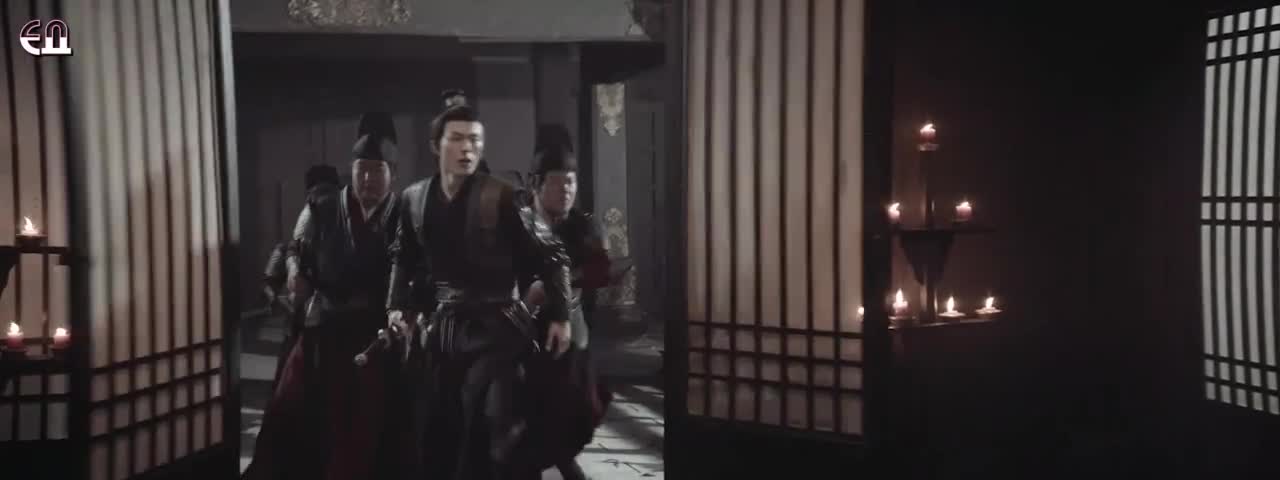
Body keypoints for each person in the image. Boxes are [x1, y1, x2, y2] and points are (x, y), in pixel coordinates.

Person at [386, 90, 573, 480]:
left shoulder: (502, 196)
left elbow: (553, 255)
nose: (467, 148)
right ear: (436, 146)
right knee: (438, 426)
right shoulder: (414, 199)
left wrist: (560, 316)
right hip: (444, 328)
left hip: (498, 329)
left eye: (474, 140)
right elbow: (403, 256)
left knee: (494, 428)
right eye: (457, 139)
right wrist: (396, 307)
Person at [242, 112, 403, 480]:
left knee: (368, 426)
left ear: (393, 173)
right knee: (291, 412)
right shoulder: (323, 206)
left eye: (377, 170)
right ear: (352, 169)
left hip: (376, 335)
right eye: (362, 169)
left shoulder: (403, 214)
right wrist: (294, 273)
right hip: (325, 328)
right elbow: (295, 248)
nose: (368, 178)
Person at [519, 135, 614, 480]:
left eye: (571, 183)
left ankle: (562, 461)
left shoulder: (582, 225)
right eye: (558, 183)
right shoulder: (518, 224)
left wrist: (561, 282)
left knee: (573, 411)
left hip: (571, 330)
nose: (566, 191)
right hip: (525, 330)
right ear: (536, 184)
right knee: (526, 416)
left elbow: (601, 270)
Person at [262, 164, 342, 391]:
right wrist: (288, 275)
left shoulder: (329, 211)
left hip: (326, 311)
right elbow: (292, 248)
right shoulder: (312, 212)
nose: (322, 197)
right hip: (308, 311)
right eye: (318, 191)